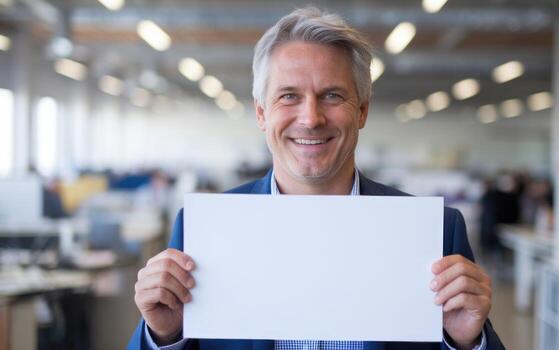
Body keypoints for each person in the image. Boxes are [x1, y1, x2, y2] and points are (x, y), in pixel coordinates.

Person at [128, 7, 505, 350]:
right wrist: (164, 335)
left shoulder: (436, 232)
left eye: (331, 95)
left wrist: (466, 342)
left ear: (361, 111)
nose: (311, 118)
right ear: (261, 114)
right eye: (289, 96)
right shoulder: (202, 230)